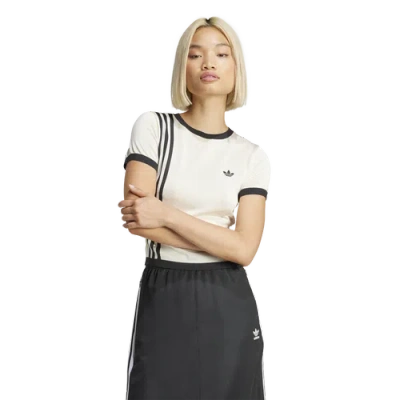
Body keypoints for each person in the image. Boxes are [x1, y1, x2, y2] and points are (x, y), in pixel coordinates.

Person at [119, 15, 271, 400]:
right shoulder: (155, 127)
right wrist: (224, 240)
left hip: (228, 300)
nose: (208, 63)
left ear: (236, 68)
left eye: (221, 54)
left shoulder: (250, 155)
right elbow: (137, 219)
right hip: (165, 290)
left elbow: (245, 250)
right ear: (181, 68)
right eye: (195, 54)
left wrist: (167, 214)